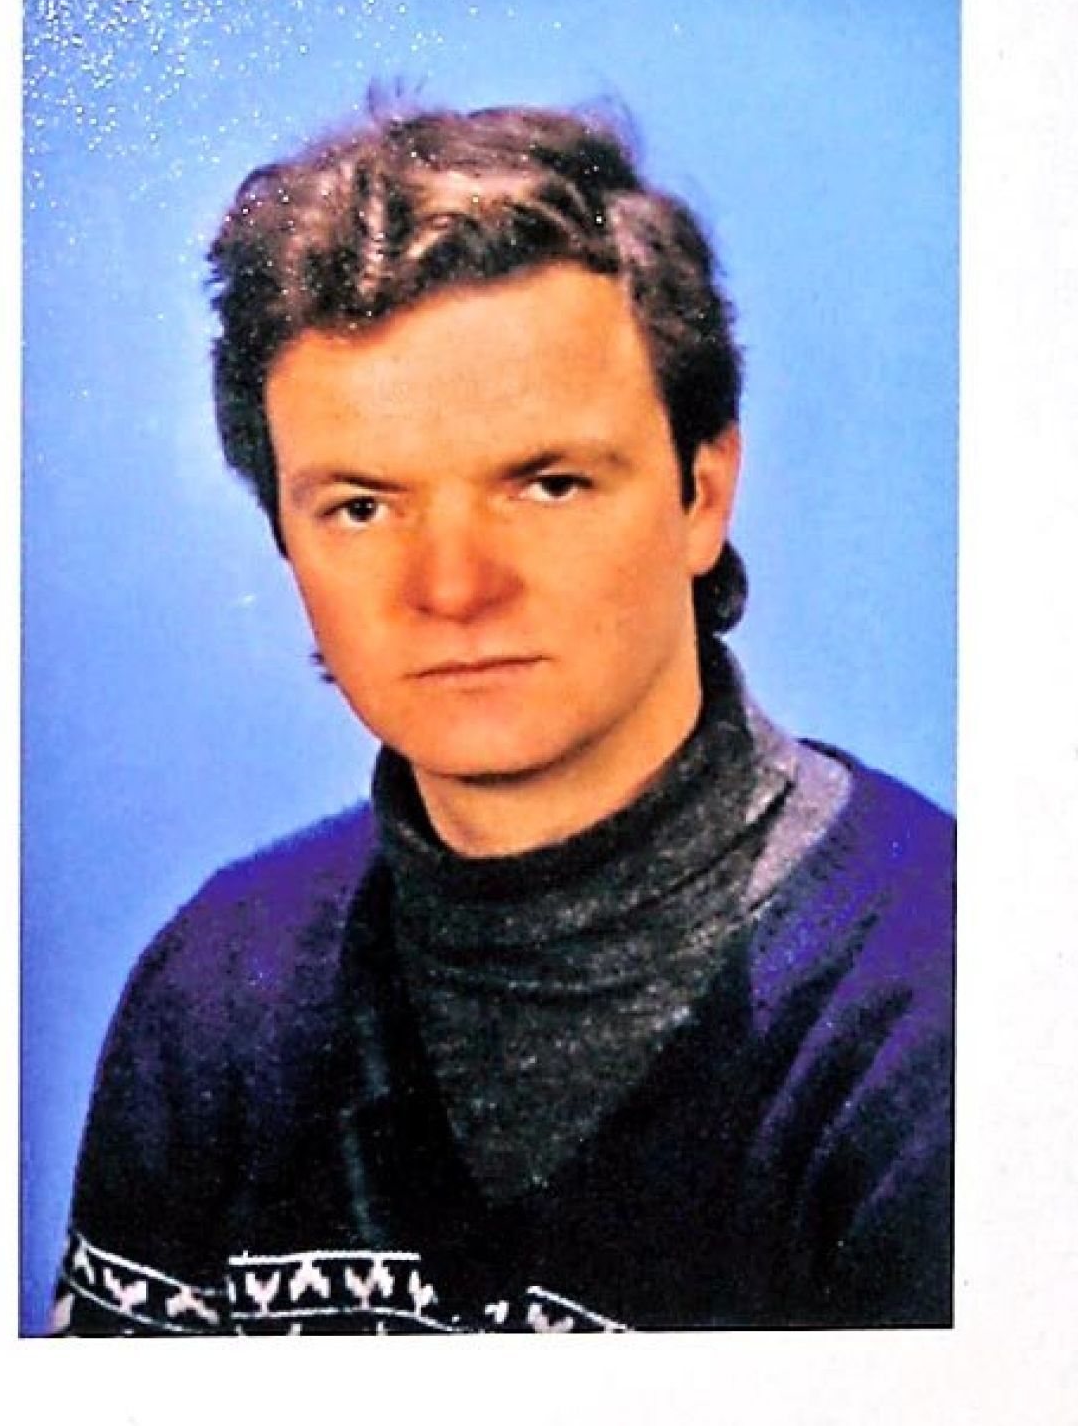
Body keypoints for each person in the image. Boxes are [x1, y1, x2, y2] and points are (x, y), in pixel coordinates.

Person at [51, 102, 954, 1336]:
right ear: (284, 536)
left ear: (702, 493)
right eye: (363, 506)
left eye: (547, 483)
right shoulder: (217, 989)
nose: (455, 588)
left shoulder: (950, 1011)